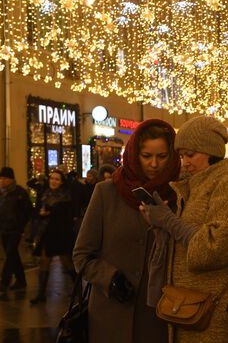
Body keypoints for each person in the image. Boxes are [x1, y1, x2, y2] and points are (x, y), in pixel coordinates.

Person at [141, 116, 228, 343]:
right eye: (181, 155)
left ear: (211, 151)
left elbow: (215, 247)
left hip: (218, 312)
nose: (184, 162)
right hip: (192, 308)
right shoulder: (198, 185)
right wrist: (160, 224)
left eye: (190, 154)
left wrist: (169, 221)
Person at [73, 119, 180, 343]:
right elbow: (82, 254)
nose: (154, 164)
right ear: (134, 154)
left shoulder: (178, 194)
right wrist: (109, 278)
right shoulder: (107, 192)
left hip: (160, 317)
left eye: (161, 157)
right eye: (146, 156)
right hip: (110, 317)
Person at [30, 169, 77, 304]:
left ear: (61, 182)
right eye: (52, 178)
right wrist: (41, 214)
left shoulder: (66, 196)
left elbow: (64, 215)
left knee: (66, 262)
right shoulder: (45, 194)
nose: (53, 181)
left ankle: (77, 288)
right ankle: (41, 294)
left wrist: (49, 212)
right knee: (44, 261)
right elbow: (40, 211)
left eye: (57, 179)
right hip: (47, 233)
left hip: (60, 234)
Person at [0, 167, 33, 295]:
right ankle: (21, 280)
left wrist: (21, 226)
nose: (2, 181)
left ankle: (4, 282)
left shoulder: (19, 192)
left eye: (5, 178)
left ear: (11, 179)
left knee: (10, 254)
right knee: (13, 255)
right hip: (3, 228)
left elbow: (27, 211)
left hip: (15, 229)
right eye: (1, 178)